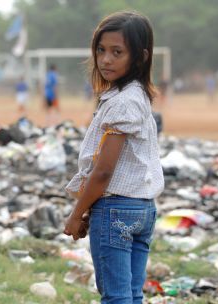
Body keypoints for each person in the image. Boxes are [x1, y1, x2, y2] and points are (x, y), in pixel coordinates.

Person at [64, 11, 164, 304]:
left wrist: (77, 213)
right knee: (131, 296)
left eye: (117, 52)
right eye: (101, 50)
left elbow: (104, 171)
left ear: (140, 57)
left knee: (116, 298)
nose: (105, 59)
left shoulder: (122, 103)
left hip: (116, 211)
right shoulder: (137, 96)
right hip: (143, 210)